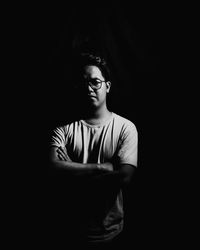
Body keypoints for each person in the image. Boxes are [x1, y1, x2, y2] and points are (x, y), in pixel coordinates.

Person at [48, 52, 138, 248]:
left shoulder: (125, 127)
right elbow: (51, 168)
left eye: (95, 82)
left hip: (113, 234)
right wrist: (102, 168)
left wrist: (72, 169)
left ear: (107, 86)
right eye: (84, 83)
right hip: (70, 233)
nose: (89, 88)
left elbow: (124, 176)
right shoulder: (63, 130)